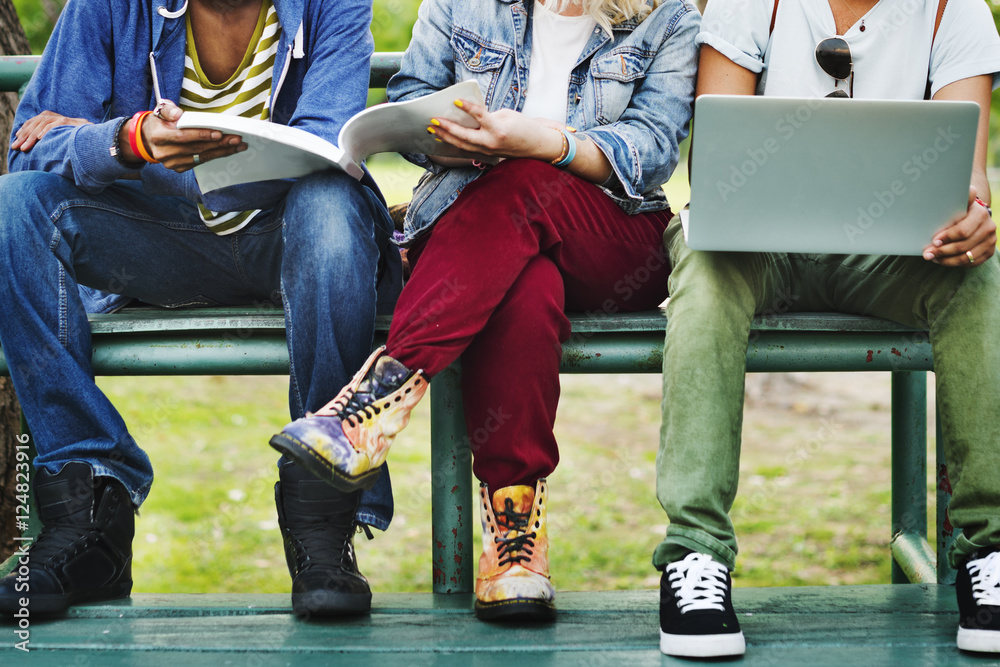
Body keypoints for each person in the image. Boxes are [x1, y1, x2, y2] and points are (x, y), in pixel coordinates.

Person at [269, 0, 699, 621]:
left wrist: (543, 144)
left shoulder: (670, 18)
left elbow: (652, 149)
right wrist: (455, 143)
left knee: (527, 181)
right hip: (473, 237)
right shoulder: (460, 4)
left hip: (609, 238)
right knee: (525, 287)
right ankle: (515, 540)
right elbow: (412, 96)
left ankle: (379, 398)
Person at [0, 0, 402, 618]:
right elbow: (29, 150)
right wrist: (128, 138)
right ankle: (88, 513)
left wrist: (124, 149)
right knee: (16, 204)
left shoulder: (334, 6)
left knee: (328, 201)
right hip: (162, 242)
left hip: (293, 239)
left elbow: (328, 146)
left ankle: (323, 523)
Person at [652, 0, 1000, 657]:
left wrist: (976, 215)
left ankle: (992, 549)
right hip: (755, 246)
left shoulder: (956, 11)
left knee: (979, 275)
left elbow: (969, 183)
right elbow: (715, 168)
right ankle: (695, 556)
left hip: (891, 256)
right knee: (704, 262)